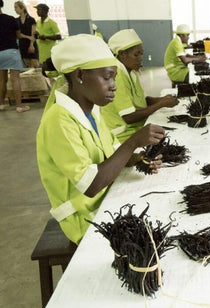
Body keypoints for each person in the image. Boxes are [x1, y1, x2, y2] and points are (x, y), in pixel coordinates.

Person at [37, 34, 166, 244]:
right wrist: (133, 141)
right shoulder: (59, 120)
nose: (114, 85)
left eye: (114, 77)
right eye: (107, 77)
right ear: (80, 75)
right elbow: (90, 185)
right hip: (83, 216)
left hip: (104, 198)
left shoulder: (92, 109)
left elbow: (111, 151)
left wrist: (139, 158)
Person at [103, 29, 179, 143]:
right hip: (121, 135)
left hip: (136, 127)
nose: (140, 58)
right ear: (122, 54)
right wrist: (161, 104)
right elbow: (129, 117)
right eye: (136, 54)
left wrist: (162, 99)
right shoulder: (117, 75)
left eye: (141, 54)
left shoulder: (131, 72)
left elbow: (142, 100)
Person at [0, 0, 29, 113]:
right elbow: (17, 35)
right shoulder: (10, 19)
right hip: (11, 51)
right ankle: (19, 106)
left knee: (2, 80)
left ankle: (1, 104)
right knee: (15, 79)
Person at [14, 1, 39, 68]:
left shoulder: (31, 19)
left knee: (34, 65)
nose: (15, 10)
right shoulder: (16, 20)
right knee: (26, 65)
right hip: (22, 44)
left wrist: (31, 45)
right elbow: (18, 34)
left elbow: (33, 34)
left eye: (16, 7)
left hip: (31, 44)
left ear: (22, 8)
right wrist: (28, 37)